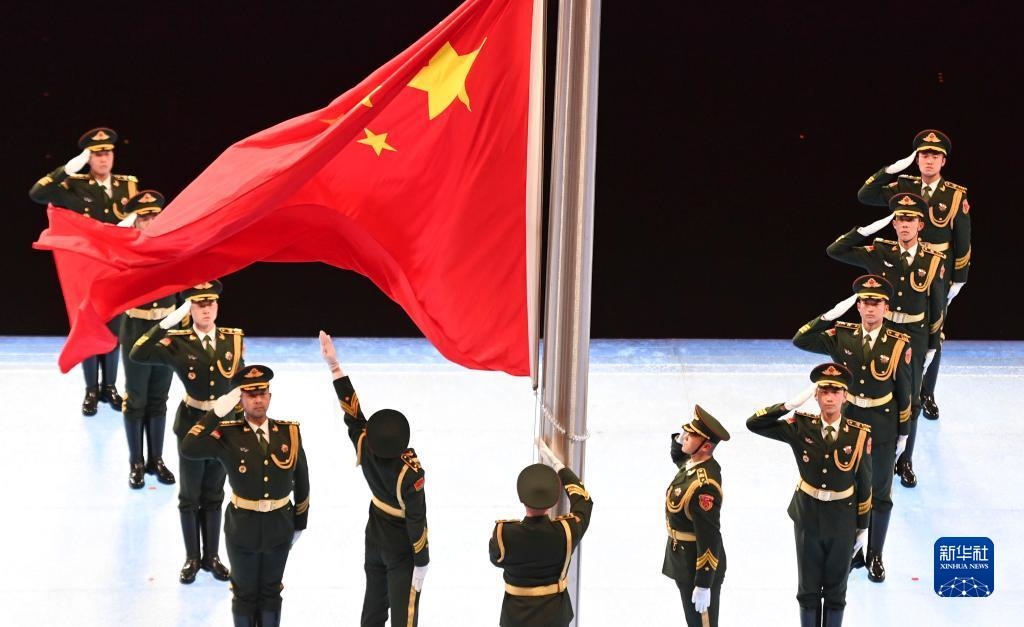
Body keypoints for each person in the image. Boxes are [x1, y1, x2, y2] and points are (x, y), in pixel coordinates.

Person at [793, 275, 911, 582]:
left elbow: (905, 392)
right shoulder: (842, 336)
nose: (870, 308)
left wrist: (903, 434)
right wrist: (831, 314)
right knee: (847, 492)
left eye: (876, 303)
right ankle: (851, 552)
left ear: (886, 307)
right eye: (865, 302)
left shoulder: (898, 344)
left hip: (882, 425)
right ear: (857, 306)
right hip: (846, 424)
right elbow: (801, 339)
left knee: (880, 494)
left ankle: (875, 554)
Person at [826, 192, 945, 488]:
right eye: (899, 218)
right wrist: (870, 228)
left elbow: (937, 308)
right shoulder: (881, 252)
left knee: (910, 401)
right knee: (872, 395)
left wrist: (932, 346)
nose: (904, 224)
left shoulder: (932, 261)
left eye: (910, 219)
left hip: (914, 337)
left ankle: (904, 460)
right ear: (893, 223)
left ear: (920, 224)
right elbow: (836, 250)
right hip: (881, 332)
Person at [130, 279, 243, 584]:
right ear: (189, 308)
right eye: (199, 304)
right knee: (190, 495)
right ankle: (192, 557)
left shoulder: (233, 339)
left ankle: (212, 557)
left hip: (223, 428)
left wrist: (240, 425)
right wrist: (167, 322)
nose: (206, 309)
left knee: (215, 494)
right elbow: (138, 353)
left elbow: (239, 385)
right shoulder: (179, 341)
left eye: (210, 303)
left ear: (217, 306)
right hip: (192, 423)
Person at [181, 365, 309, 627]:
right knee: (244, 594)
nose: (258, 400)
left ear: (270, 396)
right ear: (240, 400)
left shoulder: (289, 433)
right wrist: (217, 412)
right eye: (251, 395)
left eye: (262, 393)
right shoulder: (226, 434)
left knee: (272, 592)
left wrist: (300, 523)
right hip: (243, 526)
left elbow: (303, 481)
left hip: (279, 524)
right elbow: (189, 447)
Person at [857, 129, 971, 420]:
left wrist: (958, 279)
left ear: (943, 161)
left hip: (936, 273)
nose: (928, 160)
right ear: (916, 159)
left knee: (933, 332)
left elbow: (962, 239)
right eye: (923, 155)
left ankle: (926, 394)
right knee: (893, 329)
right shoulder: (904, 186)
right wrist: (892, 169)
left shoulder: (954, 194)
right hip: (902, 269)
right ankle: (894, 391)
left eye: (934, 156)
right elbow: (866, 195)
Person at [746, 363, 872, 627]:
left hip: (842, 520)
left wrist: (862, 528)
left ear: (845, 396)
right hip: (808, 517)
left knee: (836, 593)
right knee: (808, 590)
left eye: (835, 391)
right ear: (815, 395)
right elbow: (754, 424)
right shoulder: (801, 426)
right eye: (824, 391)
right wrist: (788, 405)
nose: (829, 397)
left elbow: (865, 483)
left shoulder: (859, 435)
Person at [320, 331, 429, 627]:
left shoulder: (365, 446)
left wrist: (334, 367)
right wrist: (422, 560)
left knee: (373, 609)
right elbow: (416, 520)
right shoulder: (410, 473)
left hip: (375, 534)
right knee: (404, 616)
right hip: (400, 545)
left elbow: (354, 416)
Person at [29, 127, 139, 415]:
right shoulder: (75, 185)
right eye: (97, 154)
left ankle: (109, 387)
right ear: (88, 157)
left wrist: (132, 223)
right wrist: (69, 167)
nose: (103, 159)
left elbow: (142, 218)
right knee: (88, 325)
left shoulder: (128, 185)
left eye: (108, 153)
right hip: (86, 269)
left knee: (114, 328)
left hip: (116, 267)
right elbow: (37, 193)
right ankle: (91, 389)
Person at [489, 439, 594, 627]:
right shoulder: (566, 532)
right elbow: (584, 502)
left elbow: (496, 560)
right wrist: (559, 466)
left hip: (515, 619)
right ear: (554, 501)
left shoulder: (504, 534)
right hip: (555, 618)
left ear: (522, 498)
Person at [116, 191, 177, 489]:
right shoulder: (125, 247)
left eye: (155, 216)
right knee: (136, 399)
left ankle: (157, 459)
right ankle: (136, 462)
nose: (150, 221)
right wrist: (128, 229)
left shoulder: (174, 245)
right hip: (137, 327)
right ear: (135, 221)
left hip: (167, 329)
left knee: (159, 398)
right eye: (144, 217)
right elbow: (109, 242)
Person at [663, 405, 729, 627]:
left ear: (706, 446)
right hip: (683, 560)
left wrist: (703, 583)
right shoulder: (694, 463)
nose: (685, 438)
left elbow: (709, 537)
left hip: (696, 565)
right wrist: (684, 436)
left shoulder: (704, 486)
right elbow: (677, 454)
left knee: (702, 624)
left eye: (691, 436)